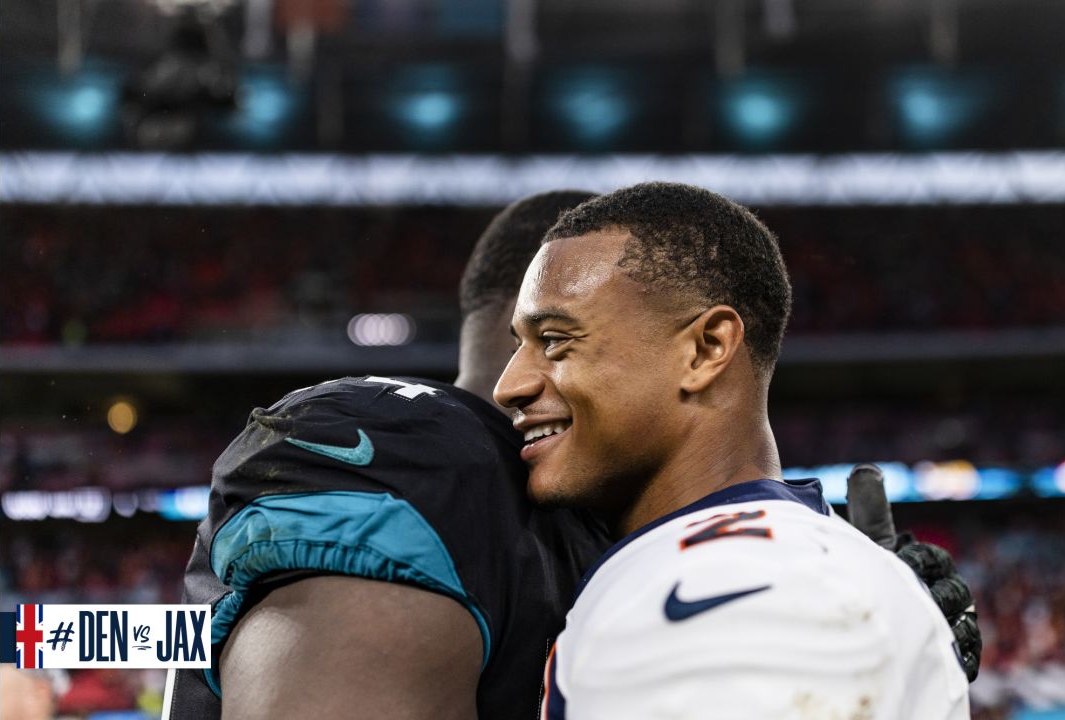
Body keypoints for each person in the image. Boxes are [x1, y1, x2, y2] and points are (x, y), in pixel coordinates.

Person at [164, 189, 978, 719]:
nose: (522, 386)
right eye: (533, 340)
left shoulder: (728, 539)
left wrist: (860, 631)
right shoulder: (426, 455)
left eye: (559, 341)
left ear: (699, 349)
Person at [495, 182, 973, 719]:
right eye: (519, 345)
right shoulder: (796, 564)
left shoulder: (732, 585)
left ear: (706, 349)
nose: (508, 386)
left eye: (556, 340)